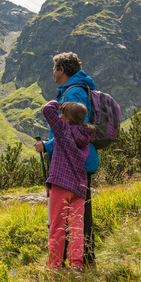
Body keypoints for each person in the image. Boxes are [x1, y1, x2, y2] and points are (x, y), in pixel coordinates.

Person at [33, 52, 99, 267]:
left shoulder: (74, 92)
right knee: (78, 218)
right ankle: (77, 263)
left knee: (67, 220)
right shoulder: (75, 90)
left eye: (54, 69)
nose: (52, 74)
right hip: (79, 165)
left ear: (61, 69)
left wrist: (48, 145)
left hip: (68, 169)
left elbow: (70, 131)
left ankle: (74, 261)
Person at [42, 100, 95, 271]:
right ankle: (76, 265)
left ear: (67, 118)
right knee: (76, 228)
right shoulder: (85, 136)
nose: (59, 116)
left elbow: (47, 110)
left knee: (57, 226)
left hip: (60, 184)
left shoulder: (62, 130)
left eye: (62, 114)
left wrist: (58, 103)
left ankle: (55, 264)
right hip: (79, 188)